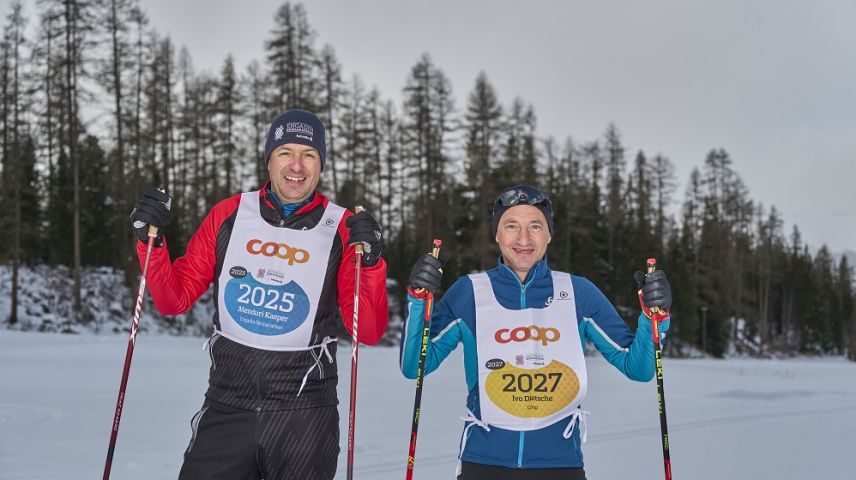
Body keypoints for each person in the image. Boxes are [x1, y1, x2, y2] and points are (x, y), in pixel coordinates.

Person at [130, 109, 389, 480]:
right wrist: (149, 241)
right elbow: (175, 299)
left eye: (309, 155)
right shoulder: (231, 213)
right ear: (269, 158)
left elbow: (368, 331)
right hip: (228, 404)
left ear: (322, 164)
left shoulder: (344, 228)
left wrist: (373, 264)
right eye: (286, 152)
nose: (296, 166)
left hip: (304, 415)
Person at [400, 184, 672, 480]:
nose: (524, 239)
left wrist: (652, 318)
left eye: (536, 226)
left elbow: (640, 368)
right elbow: (415, 366)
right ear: (497, 234)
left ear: (549, 234)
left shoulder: (579, 291)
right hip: (484, 462)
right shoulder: (469, 292)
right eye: (511, 225)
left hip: (559, 464)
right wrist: (418, 301)